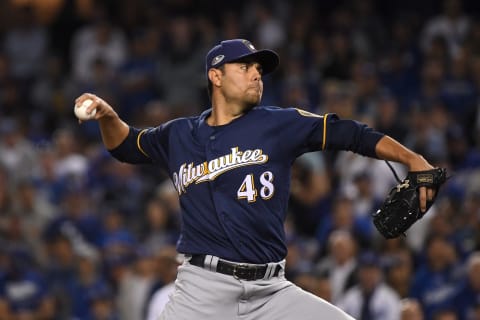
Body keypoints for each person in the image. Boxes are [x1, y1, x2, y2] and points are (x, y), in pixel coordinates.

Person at [75, 38, 438, 320]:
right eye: (245, 66)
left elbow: (350, 133)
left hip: (271, 291)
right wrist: (108, 116)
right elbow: (125, 144)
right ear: (215, 76)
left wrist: (412, 157)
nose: (256, 73)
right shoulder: (178, 135)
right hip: (202, 290)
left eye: (259, 69)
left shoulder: (279, 124)